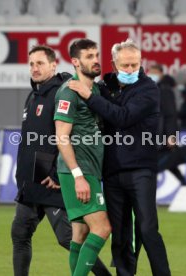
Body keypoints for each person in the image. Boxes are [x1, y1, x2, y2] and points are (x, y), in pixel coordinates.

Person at [68, 39, 171, 276]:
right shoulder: (107, 85)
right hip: (112, 171)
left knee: (147, 229)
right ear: (114, 63)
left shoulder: (149, 89)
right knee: (120, 233)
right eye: (125, 65)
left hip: (140, 170)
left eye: (134, 65)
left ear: (141, 62)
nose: (130, 70)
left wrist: (90, 96)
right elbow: (91, 86)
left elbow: (123, 117)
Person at [11, 45, 111, 276]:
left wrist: (59, 173)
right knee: (20, 235)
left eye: (40, 63)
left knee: (70, 237)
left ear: (54, 65)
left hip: (53, 182)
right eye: (31, 64)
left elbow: (65, 136)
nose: (35, 68)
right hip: (30, 184)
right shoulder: (33, 95)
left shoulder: (63, 90)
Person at [54, 39, 112, 276]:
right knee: (102, 227)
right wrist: (78, 176)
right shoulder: (69, 91)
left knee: (80, 233)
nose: (96, 60)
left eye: (96, 55)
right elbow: (61, 136)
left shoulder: (94, 90)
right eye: (89, 56)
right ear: (76, 62)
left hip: (90, 169)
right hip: (79, 170)